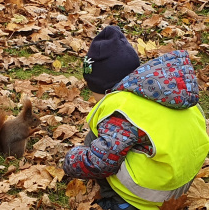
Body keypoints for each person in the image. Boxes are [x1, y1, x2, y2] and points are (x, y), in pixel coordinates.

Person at [63, 25, 209, 210]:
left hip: (153, 191)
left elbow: (100, 162)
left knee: (94, 138)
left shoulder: (121, 108)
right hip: (183, 179)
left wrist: (72, 160)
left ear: (107, 89)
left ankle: (119, 203)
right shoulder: (165, 89)